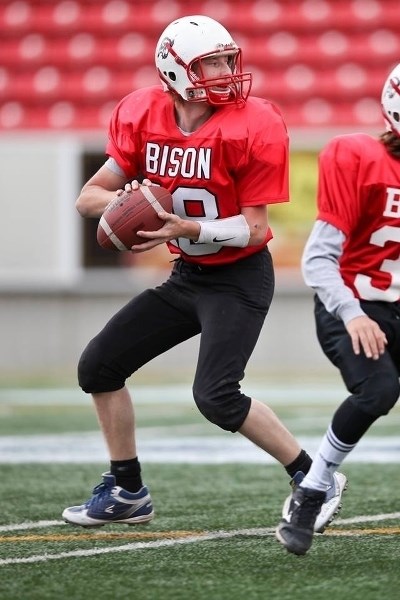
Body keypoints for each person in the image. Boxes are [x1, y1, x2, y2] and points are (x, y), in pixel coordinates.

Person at [62, 15, 346, 529]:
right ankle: (127, 490)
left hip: (238, 278)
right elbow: (89, 199)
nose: (224, 71)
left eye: (225, 59)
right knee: (98, 367)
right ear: (173, 70)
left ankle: (312, 477)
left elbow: (258, 231)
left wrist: (184, 228)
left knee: (216, 396)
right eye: (209, 62)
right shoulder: (141, 113)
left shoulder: (253, 121)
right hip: (188, 276)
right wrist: (126, 198)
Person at [276, 62, 400, 555]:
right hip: (350, 302)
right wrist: (353, 313)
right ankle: (313, 487)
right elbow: (317, 259)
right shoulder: (360, 158)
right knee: (378, 391)